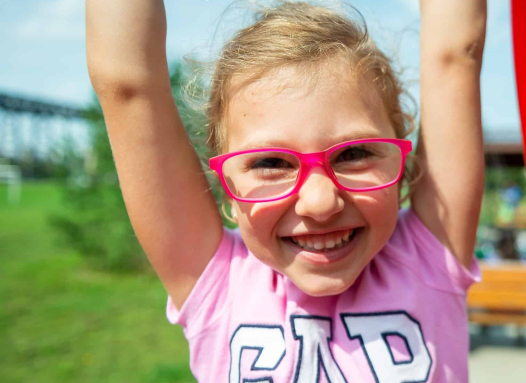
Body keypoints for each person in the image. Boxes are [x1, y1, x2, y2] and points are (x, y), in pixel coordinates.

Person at [85, 0, 486, 381]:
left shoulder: (430, 258)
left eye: (354, 153)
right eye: (271, 163)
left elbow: (455, 57)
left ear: (401, 170)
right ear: (227, 190)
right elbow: (128, 86)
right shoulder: (217, 284)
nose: (320, 202)